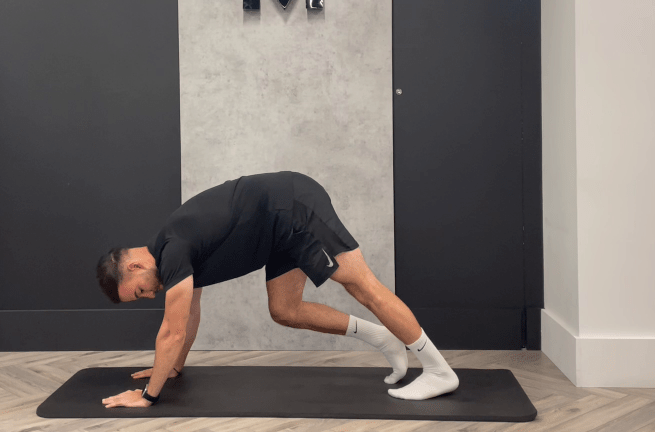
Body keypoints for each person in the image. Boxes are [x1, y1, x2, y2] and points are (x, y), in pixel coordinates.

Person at [96, 171, 459, 408]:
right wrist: (172, 369)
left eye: (140, 291)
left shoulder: (172, 250)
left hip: (293, 209)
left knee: (363, 288)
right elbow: (188, 315)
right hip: (276, 231)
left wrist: (148, 397)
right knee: (285, 309)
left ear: (134, 266)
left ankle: (439, 371)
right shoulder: (171, 250)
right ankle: (384, 338)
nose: (150, 295)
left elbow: (172, 331)